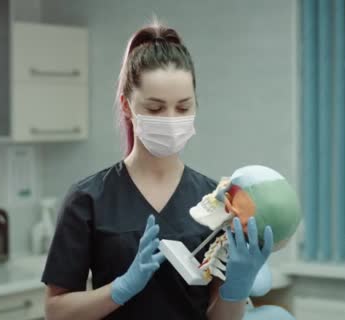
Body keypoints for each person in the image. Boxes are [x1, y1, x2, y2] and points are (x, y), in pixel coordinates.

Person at [41, 21, 273, 320]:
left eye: (183, 107)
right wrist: (120, 289)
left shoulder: (217, 201)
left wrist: (237, 286)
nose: (171, 119)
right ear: (127, 106)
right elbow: (55, 311)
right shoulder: (88, 199)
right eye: (155, 108)